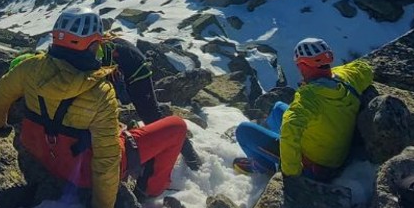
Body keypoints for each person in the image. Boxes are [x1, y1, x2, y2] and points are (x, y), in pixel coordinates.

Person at [0, 7, 189, 208]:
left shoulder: (29, 67)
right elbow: (107, 160)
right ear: (93, 45)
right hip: (81, 173)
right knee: (176, 126)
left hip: (38, 152)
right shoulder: (101, 92)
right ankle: (149, 190)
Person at [232, 37, 373, 180]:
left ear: (304, 65)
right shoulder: (346, 77)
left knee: (244, 131)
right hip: (335, 151)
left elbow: (289, 130)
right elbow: (365, 68)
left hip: (316, 167)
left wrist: (292, 175)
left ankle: (263, 166)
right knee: (278, 109)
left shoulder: (308, 98)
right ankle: (270, 152)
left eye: (299, 65)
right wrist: (334, 73)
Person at [97, 33, 203, 171]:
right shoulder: (97, 44)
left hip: (137, 71)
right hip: (130, 65)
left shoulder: (97, 49)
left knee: (152, 116)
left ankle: (191, 159)